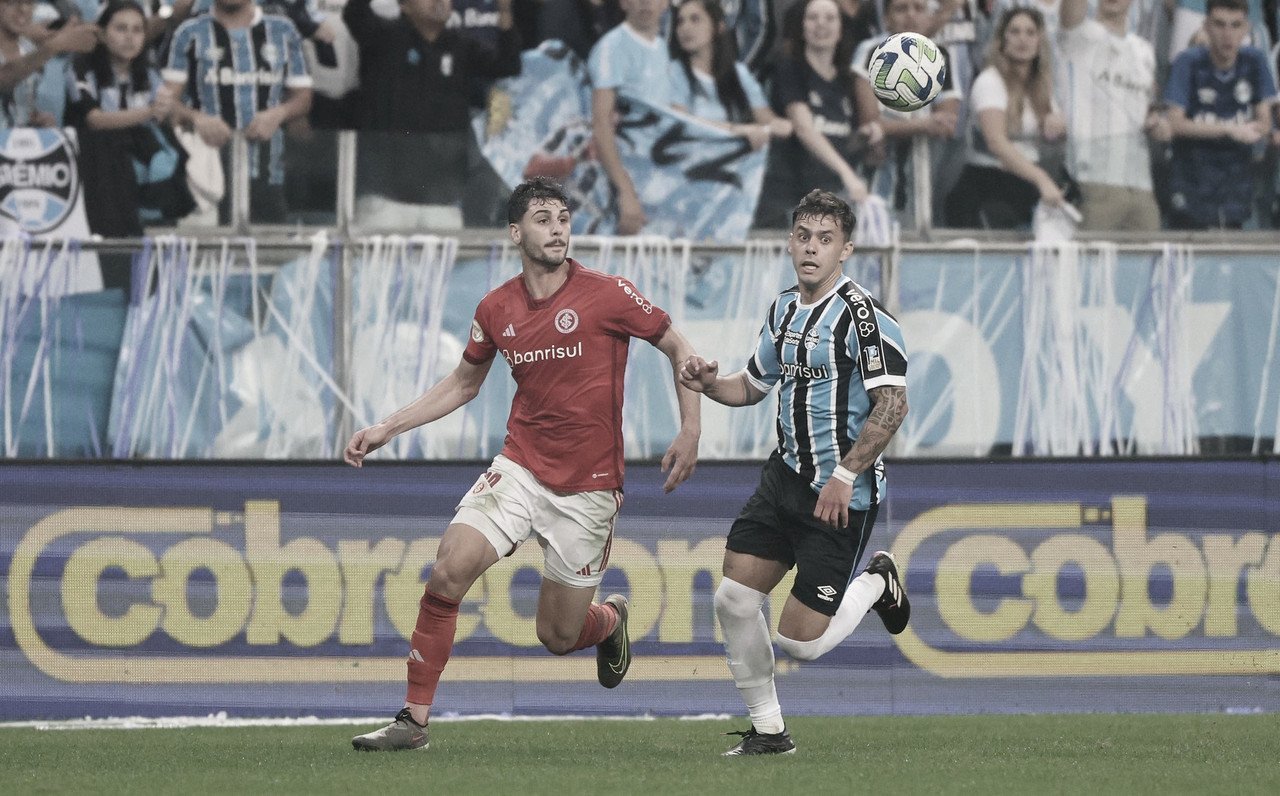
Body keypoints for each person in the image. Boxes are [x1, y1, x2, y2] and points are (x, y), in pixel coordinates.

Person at [345, 177, 702, 752]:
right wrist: (388, 426)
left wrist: (691, 428)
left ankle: (610, 621)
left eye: (563, 217)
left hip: (589, 488)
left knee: (557, 636)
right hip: (521, 467)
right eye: (543, 218)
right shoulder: (496, 307)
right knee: (448, 569)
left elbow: (679, 348)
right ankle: (412, 721)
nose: (558, 228)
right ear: (516, 232)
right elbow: (464, 383)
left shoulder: (608, 293)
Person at [678, 188, 910, 757]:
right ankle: (769, 731)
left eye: (825, 239)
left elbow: (893, 406)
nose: (812, 248)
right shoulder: (783, 309)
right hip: (784, 480)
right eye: (804, 236)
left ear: (846, 249)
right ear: (790, 243)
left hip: (841, 495)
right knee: (733, 599)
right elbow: (753, 387)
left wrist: (847, 474)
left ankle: (879, 581)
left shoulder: (866, 316)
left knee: (800, 645)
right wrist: (709, 384)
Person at [343, 0, 520, 230]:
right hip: (385, 198)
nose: (440, 2)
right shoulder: (383, 37)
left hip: (441, 201)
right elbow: (354, 13)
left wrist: (504, 11)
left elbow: (508, 64)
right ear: (404, 5)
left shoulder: (460, 46)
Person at [67, 1, 193, 289]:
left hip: (137, 174)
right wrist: (148, 113)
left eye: (137, 30)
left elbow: (168, 111)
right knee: (106, 141)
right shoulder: (81, 67)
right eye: (121, 28)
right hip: (93, 171)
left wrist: (171, 109)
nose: (130, 37)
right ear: (101, 34)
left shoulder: (147, 70)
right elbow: (94, 120)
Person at [163, 0, 314, 224]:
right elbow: (166, 103)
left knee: (270, 253)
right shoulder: (189, 32)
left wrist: (279, 113)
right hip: (207, 176)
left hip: (269, 171)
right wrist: (198, 118)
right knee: (211, 254)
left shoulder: (284, 30)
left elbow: (303, 97)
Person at [751, 0, 882, 229]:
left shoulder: (845, 81)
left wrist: (863, 136)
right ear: (802, 27)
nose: (821, 24)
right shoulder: (790, 69)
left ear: (841, 28)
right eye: (813, 18)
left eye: (830, 18)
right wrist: (848, 175)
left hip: (827, 202)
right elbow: (805, 130)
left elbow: (840, 141)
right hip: (786, 202)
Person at [945, 6, 1068, 229]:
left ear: (1040, 41)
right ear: (1002, 40)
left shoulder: (1042, 89)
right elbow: (996, 143)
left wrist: (1057, 132)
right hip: (987, 185)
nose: (1023, 39)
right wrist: (1041, 179)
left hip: (1025, 183)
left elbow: (1047, 147)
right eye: (1015, 32)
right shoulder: (990, 81)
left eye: (1030, 33)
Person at [1163, 0, 1276, 230]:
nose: (1228, 34)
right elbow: (1175, 123)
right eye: (1219, 24)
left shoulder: (1254, 62)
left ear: (1247, 28)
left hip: (1236, 182)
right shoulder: (1189, 62)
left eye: (1236, 25)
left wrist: (1257, 130)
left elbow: (1265, 120)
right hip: (1191, 180)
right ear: (1205, 26)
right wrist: (1229, 130)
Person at [1056, 0, 1166, 232]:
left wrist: (1156, 124)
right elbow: (1070, 11)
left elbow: (1145, 108)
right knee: (1091, 265)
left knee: (1146, 264)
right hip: (1093, 180)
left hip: (1140, 183)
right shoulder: (1080, 34)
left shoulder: (1143, 50)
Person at [853, 0, 961, 226]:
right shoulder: (871, 51)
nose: (910, 15)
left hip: (923, 179)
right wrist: (922, 124)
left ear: (930, 17)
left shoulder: (941, 55)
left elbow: (947, 123)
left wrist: (892, 123)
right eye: (901, 9)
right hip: (874, 177)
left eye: (919, 8)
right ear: (886, 18)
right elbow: (870, 122)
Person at [588, 0, 672, 234]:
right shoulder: (611, 48)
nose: (645, 3)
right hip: (622, 184)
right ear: (623, 3)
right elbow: (601, 123)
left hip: (660, 181)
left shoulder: (666, 50)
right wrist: (625, 191)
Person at [667, 0, 791, 149]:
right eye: (680, 22)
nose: (685, 28)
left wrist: (780, 125)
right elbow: (681, 123)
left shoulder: (739, 72)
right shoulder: (673, 71)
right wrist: (737, 130)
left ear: (718, 28)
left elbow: (766, 118)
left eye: (695, 19)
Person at [0, 0, 97, 129]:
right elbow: (4, 78)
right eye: (11, 2)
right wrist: (56, 44)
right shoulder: (41, 52)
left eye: (28, 3)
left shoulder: (29, 49)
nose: (23, 9)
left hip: (21, 145)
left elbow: (21, 106)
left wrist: (38, 119)